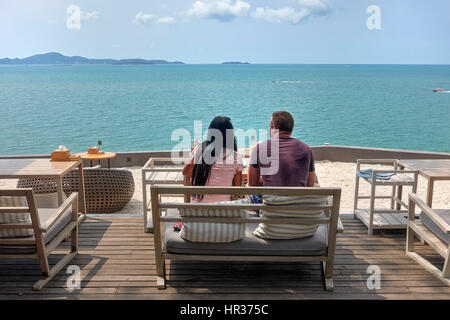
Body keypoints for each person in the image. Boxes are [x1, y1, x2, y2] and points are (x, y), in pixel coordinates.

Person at [248, 111, 318, 189]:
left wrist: (267, 179)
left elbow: (252, 184)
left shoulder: (259, 148)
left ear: (273, 128)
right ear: (291, 128)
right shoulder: (307, 150)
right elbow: (309, 184)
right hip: (299, 200)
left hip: (271, 200)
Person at [182, 116, 243, 203]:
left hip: (197, 211)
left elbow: (186, 172)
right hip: (222, 212)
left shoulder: (200, 149)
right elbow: (237, 190)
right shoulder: (236, 157)